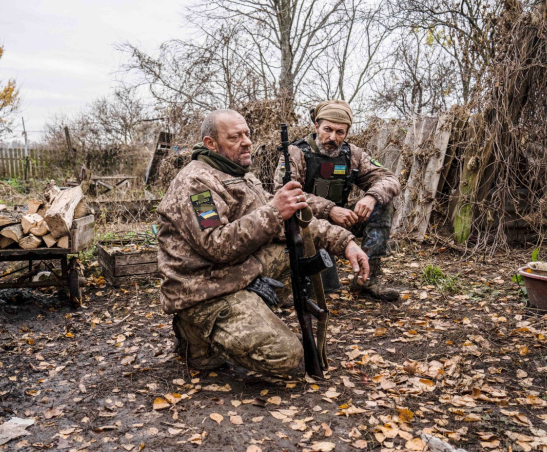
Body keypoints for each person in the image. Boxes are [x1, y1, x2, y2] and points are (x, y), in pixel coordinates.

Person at [156, 109, 369, 377]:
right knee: (286, 356)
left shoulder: (239, 174)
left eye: (247, 134)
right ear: (211, 143)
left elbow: (291, 222)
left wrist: (345, 242)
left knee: (296, 250)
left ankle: (246, 313)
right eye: (235, 137)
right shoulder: (195, 184)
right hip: (203, 291)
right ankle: (194, 333)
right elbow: (216, 244)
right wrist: (274, 211)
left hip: (230, 275)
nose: (246, 141)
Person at [275, 99, 401, 301]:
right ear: (316, 126)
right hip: (305, 225)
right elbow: (285, 193)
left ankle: (367, 279)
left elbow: (389, 179)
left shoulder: (353, 155)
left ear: (347, 133)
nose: (332, 137)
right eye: (328, 129)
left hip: (341, 222)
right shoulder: (296, 152)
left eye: (340, 132)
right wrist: (330, 209)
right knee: (322, 291)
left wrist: (370, 197)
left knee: (383, 204)